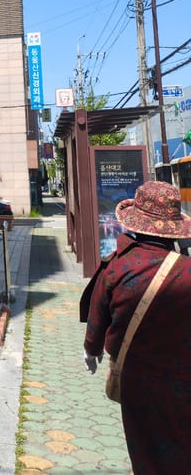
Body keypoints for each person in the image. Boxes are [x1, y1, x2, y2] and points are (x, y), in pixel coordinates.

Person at [82, 180, 191, 475]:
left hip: (136, 378)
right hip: (183, 378)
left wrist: (92, 350)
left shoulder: (117, 267)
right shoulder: (187, 269)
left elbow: (96, 317)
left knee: (144, 446)